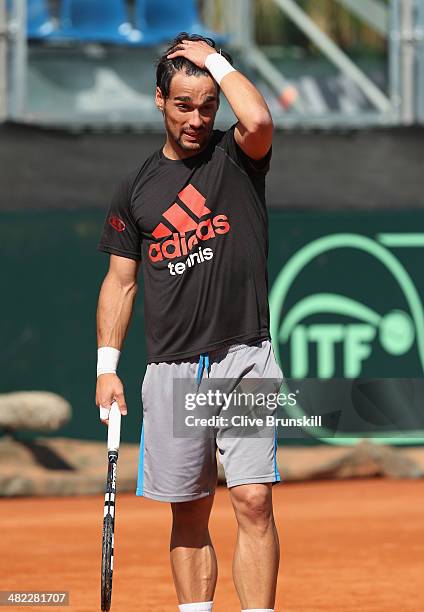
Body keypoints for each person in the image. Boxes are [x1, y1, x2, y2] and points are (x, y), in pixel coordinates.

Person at [96, 32, 283, 612]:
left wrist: (215, 61)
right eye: (183, 105)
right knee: (190, 509)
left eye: (207, 106)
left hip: (245, 357)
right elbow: (120, 283)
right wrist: (107, 368)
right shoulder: (136, 188)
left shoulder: (237, 155)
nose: (198, 119)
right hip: (172, 369)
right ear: (159, 101)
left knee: (252, 499)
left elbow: (257, 115)